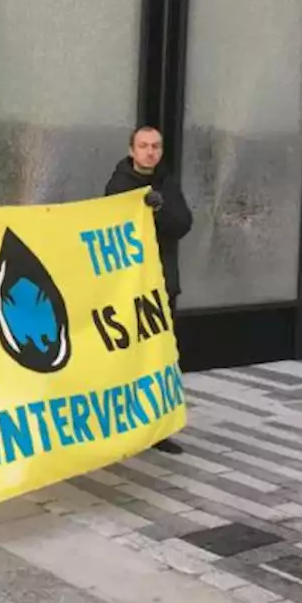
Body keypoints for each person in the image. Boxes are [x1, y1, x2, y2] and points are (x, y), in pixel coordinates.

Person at [104, 125, 192, 455]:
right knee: (126, 357)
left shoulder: (167, 182)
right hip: (129, 286)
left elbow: (182, 223)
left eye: (156, 146)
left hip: (162, 283)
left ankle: (158, 427)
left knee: (159, 357)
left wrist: (160, 208)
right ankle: (123, 424)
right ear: (132, 150)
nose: (150, 152)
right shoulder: (118, 184)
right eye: (144, 146)